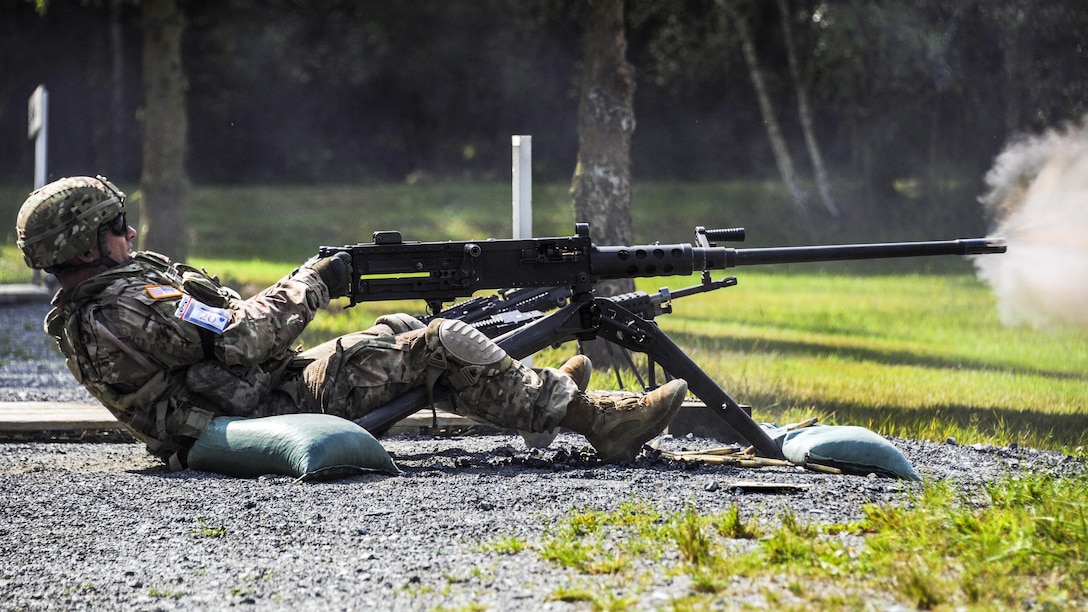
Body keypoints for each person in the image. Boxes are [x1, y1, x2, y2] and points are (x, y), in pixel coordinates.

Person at [15, 176, 687, 470]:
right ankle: (602, 422)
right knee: (442, 343)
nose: (129, 233)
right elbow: (245, 338)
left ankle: (535, 399)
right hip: (260, 409)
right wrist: (316, 281)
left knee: (399, 328)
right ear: (81, 246)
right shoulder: (124, 308)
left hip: (251, 395)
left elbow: (222, 339)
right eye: (114, 227)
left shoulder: (100, 304)